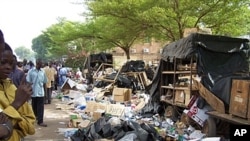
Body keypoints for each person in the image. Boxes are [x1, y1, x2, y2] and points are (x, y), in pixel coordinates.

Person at [0, 40, 36, 140]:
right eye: (3, 62)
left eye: (11, 63)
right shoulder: (18, 95)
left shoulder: (13, 88)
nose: (8, 67)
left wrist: (9, 122)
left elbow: (30, 125)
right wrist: (16, 104)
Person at [26, 58, 48, 127]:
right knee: (34, 107)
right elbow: (28, 82)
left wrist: (46, 93)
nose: (40, 65)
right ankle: (36, 117)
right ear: (36, 63)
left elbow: (45, 82)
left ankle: (40, 121)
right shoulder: (31, 71)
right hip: (33, 92)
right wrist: (28, 93)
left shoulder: (43, 72)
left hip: (41, 92)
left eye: (41, 64)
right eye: (39, 63)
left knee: (41, 107)